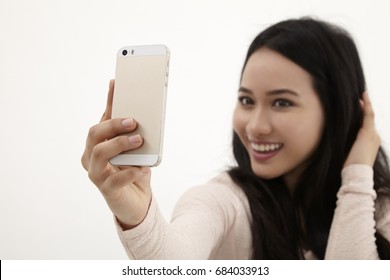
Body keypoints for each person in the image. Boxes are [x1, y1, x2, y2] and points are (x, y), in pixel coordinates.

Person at [81, 17, 390, 259]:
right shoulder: (225, 202)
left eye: (281, 102)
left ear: (338, 111)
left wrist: (356, 179)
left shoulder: (379, 207)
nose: (255, 127)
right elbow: (174, 262)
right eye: (246, 100)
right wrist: (135, 214)